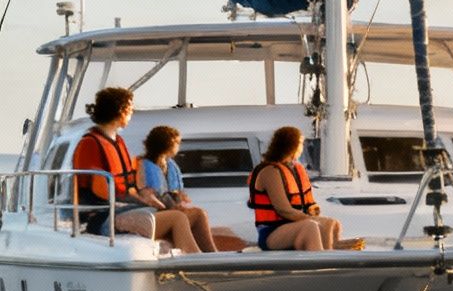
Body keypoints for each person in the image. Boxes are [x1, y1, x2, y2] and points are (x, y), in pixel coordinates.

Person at [69, 87, 202, 253]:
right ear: (121, 110)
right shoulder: (90, 144)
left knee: (197, 214)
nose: (132, 112)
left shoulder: (119, 143)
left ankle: (214, 260)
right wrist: (142, 200)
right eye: (130, 108)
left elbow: (130, 187)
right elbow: (102, 193)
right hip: (104, 219)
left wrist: (151, 197)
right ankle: (193, 259)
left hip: (124, 210)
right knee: (177, 218)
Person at [248, 126, 362, 251]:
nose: (302, 147)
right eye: (301, 143)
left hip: (295, 224)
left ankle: (330, 258)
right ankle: (319, 264)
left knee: (331, 223)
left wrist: (314, 213)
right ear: (292, 146)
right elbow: (283, 210)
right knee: (311, 226)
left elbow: (308, 205)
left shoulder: (296, 170)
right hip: (271, 233)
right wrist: (311, 219)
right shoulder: (270, 172)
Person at [138, 125, 229, 253]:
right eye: (177, 143)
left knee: (199, 213)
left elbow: (176, 192)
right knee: (183, 216)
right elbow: (145, 195)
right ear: (168, 144)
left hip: (169, 207)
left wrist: (180, 199)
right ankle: (199, 256)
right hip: (155, 212)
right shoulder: (143, 165)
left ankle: (212, 253)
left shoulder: (170, 165)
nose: (178, 146)